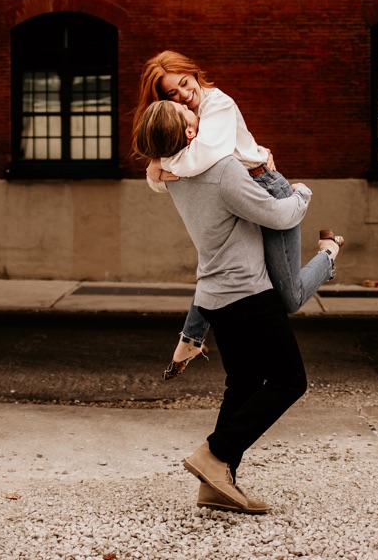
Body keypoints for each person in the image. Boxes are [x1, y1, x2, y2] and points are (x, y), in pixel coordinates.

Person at [133, 98, 320, 514]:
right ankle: (215, 453)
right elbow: (276, 214)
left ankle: (217, 483)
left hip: (216, 297)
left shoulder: (175, 174)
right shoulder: (219, 171)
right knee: (290, 381)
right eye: (188, 115)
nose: (196, 113)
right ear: (188, 133)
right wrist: (303, 192)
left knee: (246, 383)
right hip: (248, 293)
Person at [132, 50, 343, 380]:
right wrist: (157, 170)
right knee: (221, 263)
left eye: (185, 84)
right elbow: (177, 174)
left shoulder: (218, 105)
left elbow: (203, 159)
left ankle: (328, 253)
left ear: (195, 74)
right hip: (231, 189)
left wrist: (162, 164)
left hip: (263, 186)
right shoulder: (181, 118)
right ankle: (191, 338)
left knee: (290, 297)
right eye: (172, 93)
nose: (184, 96)